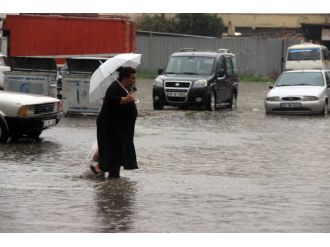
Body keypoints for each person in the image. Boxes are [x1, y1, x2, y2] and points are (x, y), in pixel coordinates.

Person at [90, 66, 138, 178]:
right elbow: (110, 100)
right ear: (125, 78)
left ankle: (113, 181)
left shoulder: (125, 88)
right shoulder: (115, 87)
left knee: (118, 152)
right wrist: (127, 99)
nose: (134, 81)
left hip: (119, 127)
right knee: (112, 150)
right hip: (109, 127)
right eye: (132, 78)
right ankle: (99, 168)